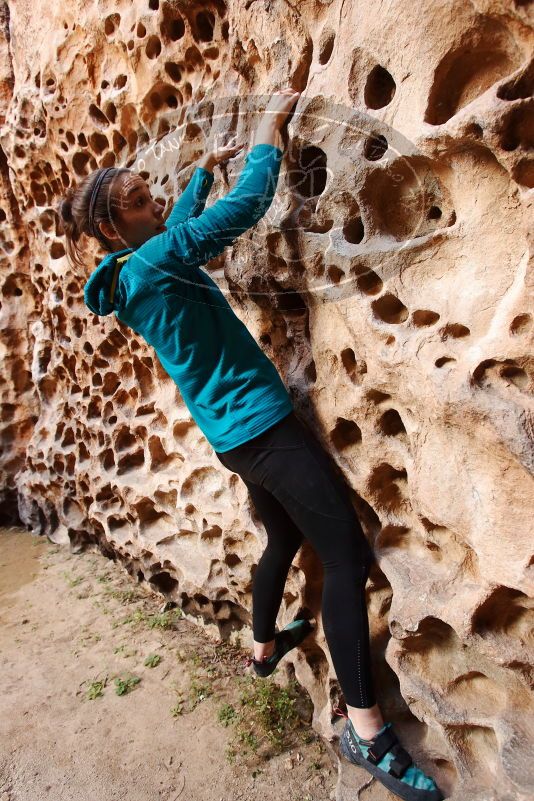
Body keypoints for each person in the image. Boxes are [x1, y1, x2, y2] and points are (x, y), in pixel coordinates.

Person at [57, 87, 444, 801]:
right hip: (262, 430)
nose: (158, 199)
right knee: (348, 555)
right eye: (143, 198)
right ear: (115, 226)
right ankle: (367, 728)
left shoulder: (132, 272)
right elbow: (237, 215)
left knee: (281, 539)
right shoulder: (154, 263)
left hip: (232, 438)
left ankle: (264, 643)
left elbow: (181, 224)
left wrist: (202, 172)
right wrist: (268, 137)